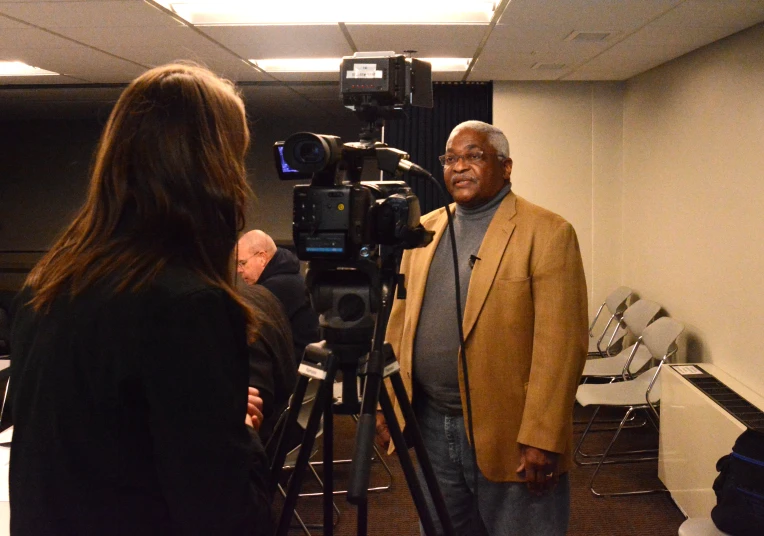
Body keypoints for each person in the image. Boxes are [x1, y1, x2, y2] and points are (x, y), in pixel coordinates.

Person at [8, 63, 272, 536]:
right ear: (213, 170)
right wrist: (240, 431)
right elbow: (224, 515)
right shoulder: (190, 306)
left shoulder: (47, 285)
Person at [380, 120, 588, 535]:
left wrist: (543, 438)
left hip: (512, 434)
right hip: (430, 423)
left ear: (506, 167)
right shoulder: (426, 230)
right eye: (451, 158)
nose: (460, 167)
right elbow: (398, 323)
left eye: (474, 155)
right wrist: (388, 401)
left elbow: (561, 347)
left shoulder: (548, 233)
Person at [237, 229, 320, 363]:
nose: (238, 270)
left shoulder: (271, 290)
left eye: (243, 263)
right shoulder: (290, 278)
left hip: (292, 372)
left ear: (262, 257)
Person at [237, 282, 298, 450]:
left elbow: (255, 404)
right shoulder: (263, 293)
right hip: (289, 425)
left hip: (266, 443)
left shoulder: (235, 308)